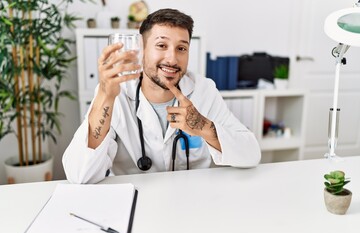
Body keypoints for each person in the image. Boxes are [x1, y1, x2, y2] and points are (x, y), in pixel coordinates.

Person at [62, 8, 261, 184]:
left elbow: (251, 154)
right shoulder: (114, 92)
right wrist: (105, 96)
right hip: (135, 203)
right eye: (161, 46)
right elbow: (80, 175)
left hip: (192, 202)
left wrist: (203, 126)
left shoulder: (203, 90)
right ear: (142, 49)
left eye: (181, 48)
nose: (172, 59)